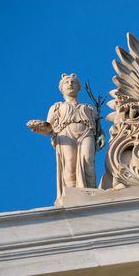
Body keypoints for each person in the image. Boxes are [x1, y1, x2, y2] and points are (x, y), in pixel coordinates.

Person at [27, 73, 105, 204]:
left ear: (78, 88)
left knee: (88, 159)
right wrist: (39, 127)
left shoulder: (88, 108)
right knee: (69, 162)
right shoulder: (56, 107)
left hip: (86, 133)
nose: (70, 84)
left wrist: (102, 135)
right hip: (65, 134)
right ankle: (72, 193)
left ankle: (90, 191)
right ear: (61, 88)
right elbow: (49, 127)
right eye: (66, 83)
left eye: (73, 82)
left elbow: (98, 127)